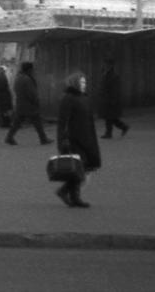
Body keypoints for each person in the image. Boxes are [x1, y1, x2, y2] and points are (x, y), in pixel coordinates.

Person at [54, 71, 101, 208]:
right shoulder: (68, 98)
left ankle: (70, 194)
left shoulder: (83, 98)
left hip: (86, 138)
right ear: (75, 83)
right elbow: (63, 122)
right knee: (80, 167)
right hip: (73, 139)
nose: (84, 85)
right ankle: (68, 193)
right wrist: (63, 140)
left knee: (83, 168)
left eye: (85, 82)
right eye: (82, 82)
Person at [4, 61, 51, 146]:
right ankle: (43, 139)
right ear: (29, 69)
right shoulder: (27, 79)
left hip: (20, 104)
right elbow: (31, 93)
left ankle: (9, 137)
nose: (33, 71)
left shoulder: (18, 78)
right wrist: (36, 100)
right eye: (32, 69)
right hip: (29, 105)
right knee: (37, 122)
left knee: (17, 122)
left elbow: (15, 90)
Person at [97, 56, 129, 139]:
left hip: (110, 99)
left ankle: (109, 133)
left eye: (106, 64)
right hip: (106, 99)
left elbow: (115, 89)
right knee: (112, 118)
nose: (104, 65)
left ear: (110, 65)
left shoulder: (113, 76)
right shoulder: (106, 74)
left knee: (109, 117)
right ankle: (123, 127)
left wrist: (112, 100)